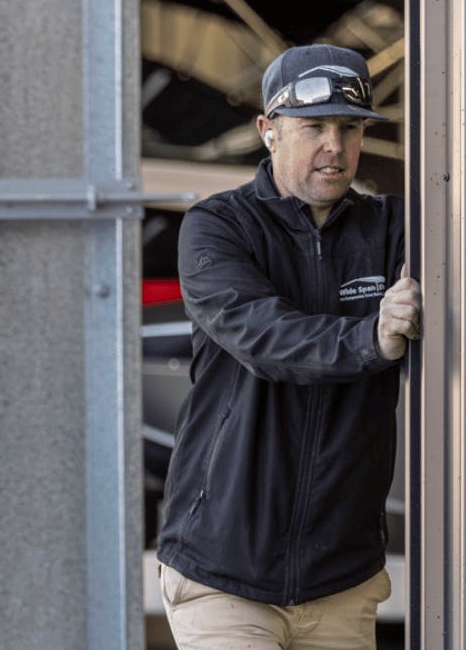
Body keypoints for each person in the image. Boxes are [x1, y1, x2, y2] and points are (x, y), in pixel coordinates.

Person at [156, 44, 422, 650]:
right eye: (313, 127)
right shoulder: (219, 227)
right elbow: (262, 335)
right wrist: (371, 336)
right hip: (223, 574)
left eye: (349, 127)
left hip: (341, 580)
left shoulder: (395, 230)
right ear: (268, 132)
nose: (334, 145)